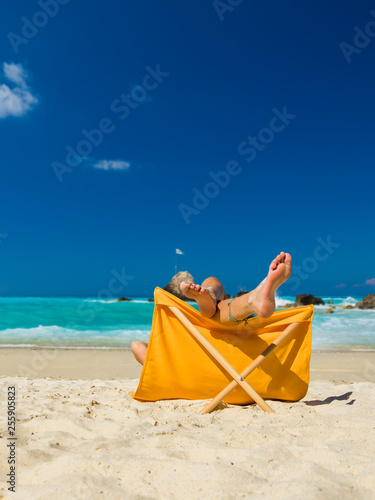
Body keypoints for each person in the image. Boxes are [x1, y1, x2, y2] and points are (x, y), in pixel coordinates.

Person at [131, 252, 292, 365]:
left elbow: (137, 346)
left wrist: (155, 355)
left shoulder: (170, 365)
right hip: (242, 363)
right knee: (214, 293)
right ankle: (246, 299)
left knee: (136, 345)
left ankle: (217, 297)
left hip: (197, 373)